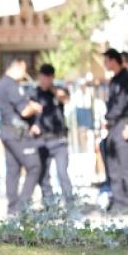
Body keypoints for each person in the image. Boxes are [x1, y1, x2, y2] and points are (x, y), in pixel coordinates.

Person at [0, 58, 44, 214]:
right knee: (35, 166)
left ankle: (13, 209)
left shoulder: (1, 84)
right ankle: (22, 207)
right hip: (17, 133)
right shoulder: (12, 85)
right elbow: (24, 110)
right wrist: (34, 108)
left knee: (13, 170)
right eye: (23, 70)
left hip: (7, 132)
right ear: (15, 68)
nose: (25, 74)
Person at [103, 47, 128, 213]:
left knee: (126, 166)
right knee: (113, 166)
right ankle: (119, 202)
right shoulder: (114, 80)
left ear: (113, 60)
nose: (105, 64)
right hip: (113, 126)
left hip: (124, 124)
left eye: (106, 60)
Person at [31, 64, 74, 205]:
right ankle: (49, 206)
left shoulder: (58, 91)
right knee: (43, 176)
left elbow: (66, 98)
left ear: (52, 77)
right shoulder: (34, 93)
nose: (45, 79)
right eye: (43, 76)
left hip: (59, 140)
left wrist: (52, 88)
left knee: (62, 173)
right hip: (42, 140)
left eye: (49, 77)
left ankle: (70, 204)